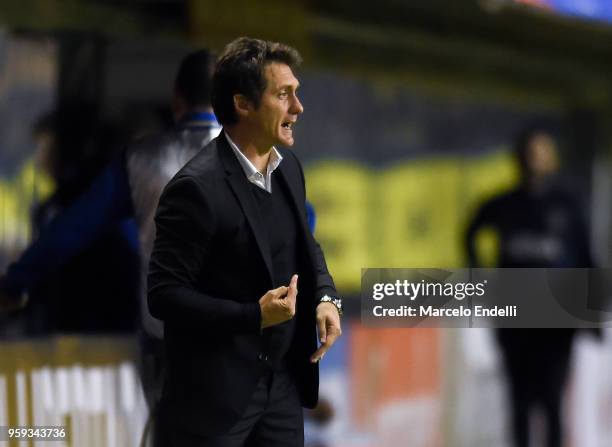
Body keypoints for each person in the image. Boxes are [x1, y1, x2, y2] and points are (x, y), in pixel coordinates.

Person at [0, 49, 221, 446]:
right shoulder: (267, 161)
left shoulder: (141, 161)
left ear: (176, 98)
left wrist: (16, 283)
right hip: (244, 343)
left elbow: (71, 229)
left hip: (168, 345)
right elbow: (300, 242)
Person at [147, 37, 342, 447]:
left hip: (282, 386)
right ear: (243, 104)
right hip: (212, 400)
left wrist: (326, 297)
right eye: (283, 95)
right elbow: (163, 295)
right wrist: (252, 316)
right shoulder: (195, 189)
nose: (298, 108)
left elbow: (308, 248)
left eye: (297, 93)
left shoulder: (289, 168)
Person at [466, 128, 593, 447]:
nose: (533, 159)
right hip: (516, 317)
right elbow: (469, 232)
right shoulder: (505, 204)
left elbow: (587, 255)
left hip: (556, 320)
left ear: (552, 158)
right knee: (520, 401)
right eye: (528, 152)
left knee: (551, 401)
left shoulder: (568, 204)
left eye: (541, 152)